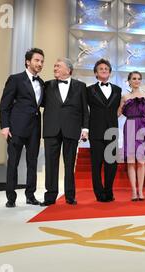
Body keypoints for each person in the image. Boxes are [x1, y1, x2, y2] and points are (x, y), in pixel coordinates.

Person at [0, 48, 45, 208]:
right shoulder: (15, 79)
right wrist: (4, 126)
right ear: (28, 61)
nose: (40, 64)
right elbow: (4, 105)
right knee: (13, 163)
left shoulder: (42, 83)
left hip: (34, 129)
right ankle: (10, 197)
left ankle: (30, 195)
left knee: (33, 163)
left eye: (41, 61)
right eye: (37, 60)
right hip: (16, 128)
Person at [40, 58, 88, 206]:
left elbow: (84, 109)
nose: (55, 68)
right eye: (54, 66)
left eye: (58, 66)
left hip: (71, 129)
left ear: (68, 70)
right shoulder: (47, 85)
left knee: (69, 164)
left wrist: (85, 129)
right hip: (51, 129)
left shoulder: (80, 86)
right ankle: (50, 196)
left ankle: (70, 196)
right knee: (51, 164)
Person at [84, 59, 122, 202]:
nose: (104, 70)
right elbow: (85, 111)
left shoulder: (118, 90)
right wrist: (85, 129)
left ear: (110, 72)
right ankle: (99, 194)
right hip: (96, 131)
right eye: (101, 68)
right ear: (96, 73)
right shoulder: (89, 90)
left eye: (106, 68)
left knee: (111, 164)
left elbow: (119, 109)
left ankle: (109, 191)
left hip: (112, 131)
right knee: (96, 164)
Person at [117, 71, 145, 201]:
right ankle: (134, 192)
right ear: (129, 81)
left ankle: (141, 191)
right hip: (130, 126)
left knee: (141, 161)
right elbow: (118, 114)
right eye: (134, 78)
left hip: (143, 127)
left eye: (139, 78)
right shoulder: (125, 97)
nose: (137, 81)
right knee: (131, 161)